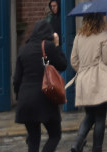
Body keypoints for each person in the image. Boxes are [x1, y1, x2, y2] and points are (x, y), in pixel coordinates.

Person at [13, 19, 68, 152]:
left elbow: (16, 79)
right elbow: (63, 64)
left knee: (33, 139)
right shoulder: (48, 46)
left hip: (26, 99)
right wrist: (56, 45)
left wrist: (18, 96)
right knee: (55, 135)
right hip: (45, 97)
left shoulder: (23, 49)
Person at [69, 13, 107, 152]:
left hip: (84, 81)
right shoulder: (103, 35)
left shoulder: (78, 37)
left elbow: (73, 60)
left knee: (89, 115)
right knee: (100, 117)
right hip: (99, 80)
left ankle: (78, 142)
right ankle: (97, 149)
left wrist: (84, 70)